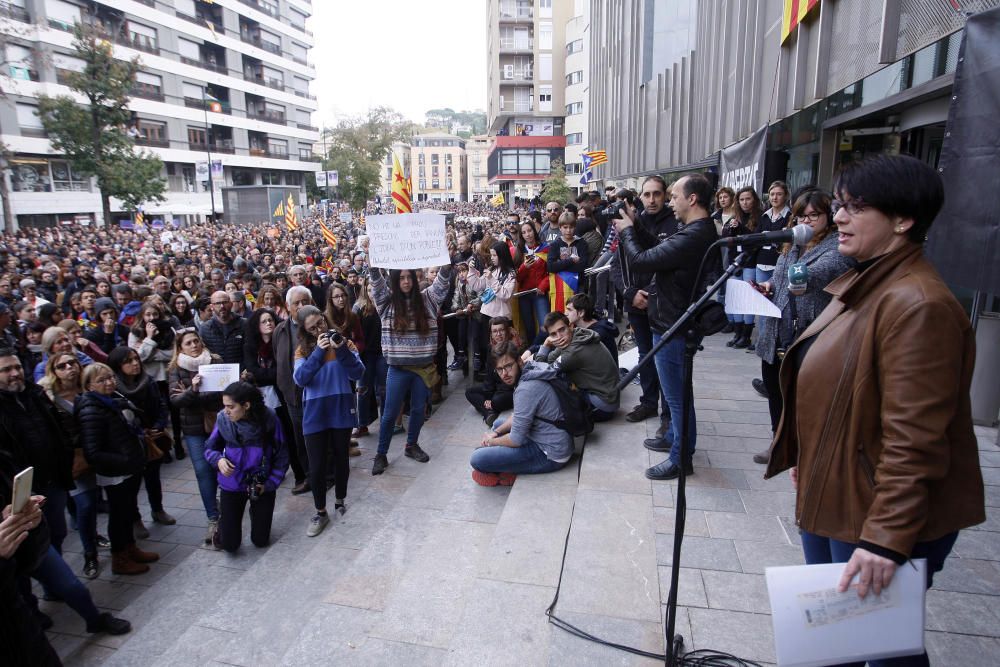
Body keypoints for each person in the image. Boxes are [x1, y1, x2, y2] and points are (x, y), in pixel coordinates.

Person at [765, 156, 985, 667]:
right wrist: (811, 453)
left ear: (903, 220)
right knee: (836, 640)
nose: (838, 217)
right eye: (840, 205)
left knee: (881, 648)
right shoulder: (871, 282)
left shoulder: (918, 304)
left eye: (855, 207)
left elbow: (915, 440)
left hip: (873, 511)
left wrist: (886, 541)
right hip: (836, 489)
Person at [616, 173, 719, 480]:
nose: (670, 202)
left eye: (674, 196)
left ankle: (680, 458)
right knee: (676, 393)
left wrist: (625, 233)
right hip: (669, 320)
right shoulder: (692, 231)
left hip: (675, 325)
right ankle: (674, 439)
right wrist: (634, 227)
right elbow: (657, 252)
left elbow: (641, 261)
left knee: (677, 396)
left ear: (692, 199)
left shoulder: (695, 234)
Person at [751, 190, 854, 464]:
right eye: (801, 216)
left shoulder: (836, 246)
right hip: (775, 330)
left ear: (828, 216)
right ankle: (778, 443)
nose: (807, 221)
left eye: (814, 215)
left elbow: (813, 275)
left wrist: (791, 274)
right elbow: (778, 273)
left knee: (802, 395)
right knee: (775, 390)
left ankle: (806, 447)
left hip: (807, 333)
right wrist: (768, 285)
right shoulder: (792, 244)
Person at [76, 363, 161, 575]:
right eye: (102, 380)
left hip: (129, 467)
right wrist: (124, 460)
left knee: (128, 510)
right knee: (119, 515)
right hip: (116, 473)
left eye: (111, 377)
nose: (109, 382)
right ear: (88, 386)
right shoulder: (91, 410)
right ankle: (119, 559)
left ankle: (130, 548)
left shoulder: (114, 400)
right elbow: (93, 452)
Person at [370, 262, 452, 475]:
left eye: (409, 277)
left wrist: (444, 261)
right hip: (397, 369)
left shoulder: (428, 300)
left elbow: (442, 283)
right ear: (395, 281)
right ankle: (381, 454)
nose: (406, 281)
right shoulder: (386, 303)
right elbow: (377, 283)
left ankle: (411, 445)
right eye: (401, 278)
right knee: (389, 415)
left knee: (418, 410)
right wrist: (373, 262)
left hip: (423, 369)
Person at [292, 306, 364, 537]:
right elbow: (300, 379)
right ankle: (320, 511)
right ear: (304, 331)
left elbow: (358, 373)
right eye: (311, 328)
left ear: (324, 319)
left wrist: (340, 349)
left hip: (341, 407)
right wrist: (317, 353)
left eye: (320, 324)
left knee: (341, 457)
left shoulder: (343, 342)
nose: (318, 330)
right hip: (315, 412)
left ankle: (340, 501)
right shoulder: (302, 351)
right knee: (317, 464)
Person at [612, 176, 676, 430]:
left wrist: (647, 294)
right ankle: (649, 401)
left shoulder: (673, 223)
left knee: (665, 358)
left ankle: (669, 414)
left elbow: (666, 262)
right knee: (644, 354)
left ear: (665, 196)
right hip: (634, 302)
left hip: (660, 304)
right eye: (647, 195)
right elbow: (617, 266)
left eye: (656, 194)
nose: (651, 200)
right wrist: (630, 293)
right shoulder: (630, 222)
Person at [38, 353, 104, 579]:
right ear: (53, 371)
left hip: (97, 453)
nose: (69, 368)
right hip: (72, 460)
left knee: (94, 502)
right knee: (84, 505)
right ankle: (89, 554)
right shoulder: (48, 398)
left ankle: (94, 536)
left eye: (72, 363)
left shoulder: (89, 388)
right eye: (62, 366)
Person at [469, 345, 573, 487]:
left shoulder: (526, 389)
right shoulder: (530, 370)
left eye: (508, 366)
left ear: (519, 361)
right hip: (550, 436)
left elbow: (516, 439)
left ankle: (504, 475)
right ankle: (505, 463)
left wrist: (490, 442)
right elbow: (517, 416)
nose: (505, 373)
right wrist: (495, 433)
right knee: (498, 425)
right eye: (500, 369)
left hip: (550, 454)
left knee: (477, 458)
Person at [204, 382, 288, 551]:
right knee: (229, 545)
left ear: (246, 405)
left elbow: (282, 455)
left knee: (260, 540)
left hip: (261, 483)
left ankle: (255, 515)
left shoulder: (269, 418)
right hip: (232, 482)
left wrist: (270, 483)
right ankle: (224, 523)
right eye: (224, 406)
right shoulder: (223, 419)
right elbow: (209, 448)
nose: (226, 411)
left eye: (231, 407)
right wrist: (218, 460)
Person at [107, 347, 177, 535]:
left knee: (153, 478)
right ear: (117, 366)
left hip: (152, 437)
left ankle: (158, 509)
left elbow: (162, 405)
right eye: (128, 361)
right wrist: (138, 432)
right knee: (133, 484)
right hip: (132, 441)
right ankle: (136, 519)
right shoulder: (114, 390)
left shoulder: (149, 381)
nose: (135, 363)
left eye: (136, 359)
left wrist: (159, 426)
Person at [168, 329, 224, 545]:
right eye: (188, 343)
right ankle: (213, 517)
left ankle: (228, 504)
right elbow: (176, 400)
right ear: (180, 348)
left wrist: (193, 394)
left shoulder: (215, 360)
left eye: (196, 341)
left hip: (218, 423)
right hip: (194, 429)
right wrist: (193, 390)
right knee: (203, 471)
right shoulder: (176, 369)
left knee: (224, 466)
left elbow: (225, 389)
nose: (194, 346)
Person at [533, 311, 620, 422]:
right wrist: (546, 347)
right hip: (608, 397)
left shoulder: (573, 352)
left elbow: (541, 370)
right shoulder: (574, 335)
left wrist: (545, 345)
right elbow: (548, 360)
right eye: (553, 334)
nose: (559, 337)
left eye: (561, 329)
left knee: (554, 384)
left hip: (603, 406)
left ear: (570, 326)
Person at [273, 286, 312, 495]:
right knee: (300, 439)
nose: (301, 306)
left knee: (320, 438)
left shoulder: (319, 328)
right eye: (296, 303)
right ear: (288, 307)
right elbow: (278, 359)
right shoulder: (279, 331)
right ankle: (309, 477)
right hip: (292, 396)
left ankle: (329, 475)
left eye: (305, 301)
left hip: (316, 396)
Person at [723, 186, 763, 349]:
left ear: (754, 200)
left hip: (751, 262)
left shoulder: (760, 217)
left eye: (748, 199)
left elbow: (755, 239)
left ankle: (746, 335)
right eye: (742, 199)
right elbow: (727, 240)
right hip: (736, 262)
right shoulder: (735, 217)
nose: (745, 202)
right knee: (737, 299)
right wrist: (732, 229)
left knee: (748, 299)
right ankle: (738, 333)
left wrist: (741, 228)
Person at [546, 212, 590, 313]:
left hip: (579, 285)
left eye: (571, 227)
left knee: (578, 314)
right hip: (560, 286)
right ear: (560, 228)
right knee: (562, 313)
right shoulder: (555, 245)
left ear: (575, 227)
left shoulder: (581, 243)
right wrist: (571, 260)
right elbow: (551, 267)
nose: (568, 230)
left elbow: (583, 265)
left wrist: (560, 264)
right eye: (565, 227)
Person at [516, 221, 550, 338]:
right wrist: (524, 267)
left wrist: (543, 286)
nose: (527, 234)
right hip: (524, 294)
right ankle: (532, 353)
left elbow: (551, 272)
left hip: (540, 293)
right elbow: (517, 278)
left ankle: (537, 351)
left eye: (529, 231)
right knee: (529, 328)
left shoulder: (546, 248)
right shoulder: (519, 251)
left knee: (544, 326)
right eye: (524, 232)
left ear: (534, 232)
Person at [565, 293, 618, 362]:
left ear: (581, 313)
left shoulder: (597, 334)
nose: (565, 313)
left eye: (569, 310)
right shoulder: (590, 326)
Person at [200, 290, 246, 367]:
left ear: (231, 304)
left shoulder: (244, 324)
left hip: (240, 373)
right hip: (215, 372)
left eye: (225, 302)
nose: (222, 306)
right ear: (212, 307)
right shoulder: (205, 328)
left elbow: (250, 351)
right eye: (217, 303)